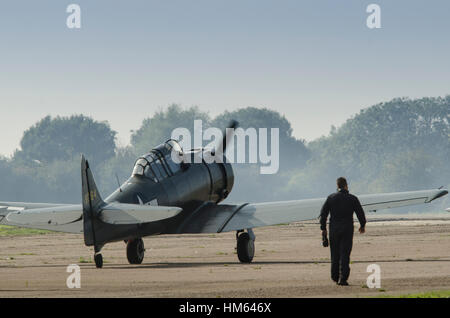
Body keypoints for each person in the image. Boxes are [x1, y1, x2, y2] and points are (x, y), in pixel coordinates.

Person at [320, 177, 366, 286]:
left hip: (334, 229)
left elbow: (323, 214)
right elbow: (360, 213)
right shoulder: (353, 198)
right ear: (346, 185)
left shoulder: (331, 198)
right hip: (347, 229)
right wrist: (362, 225)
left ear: (337, 186)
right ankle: (343, 278)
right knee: (345, 253)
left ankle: (335, 276)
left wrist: (323, 228)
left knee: (334, 253)